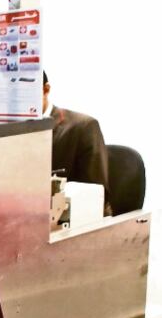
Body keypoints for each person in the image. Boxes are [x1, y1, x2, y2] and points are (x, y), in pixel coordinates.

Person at [43, 71, 112, 214]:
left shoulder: (83, 127)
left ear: (46, 89)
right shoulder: (5, 132)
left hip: (72, 221)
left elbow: (95, 195)